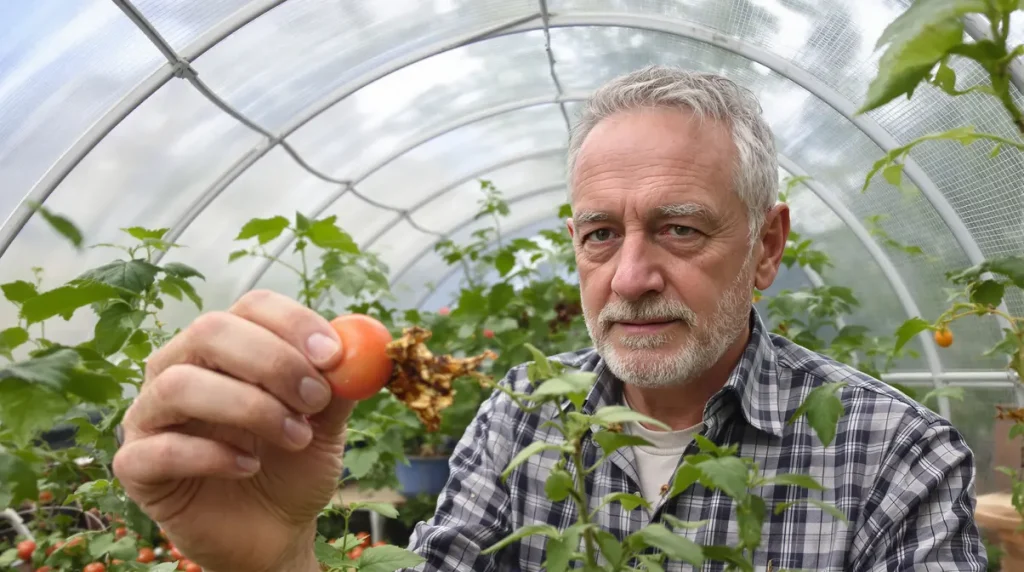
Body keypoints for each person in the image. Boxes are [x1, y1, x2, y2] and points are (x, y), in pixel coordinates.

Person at [112, 65, 987, 571]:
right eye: (601, 234)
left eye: (681, 229)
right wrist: (278, 560)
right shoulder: (525, 416)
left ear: (766, 247)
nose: (630, 277)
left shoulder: (895, 459)